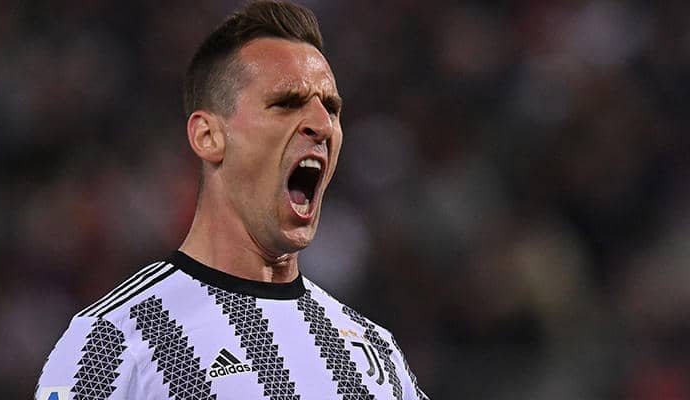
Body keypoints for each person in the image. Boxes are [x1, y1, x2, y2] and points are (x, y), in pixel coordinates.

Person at [35, 1, 428, 399]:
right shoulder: (114, 340)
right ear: (208, 137)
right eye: (286, 103)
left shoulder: (377, 351)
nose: (322, 125)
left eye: (331, 108)